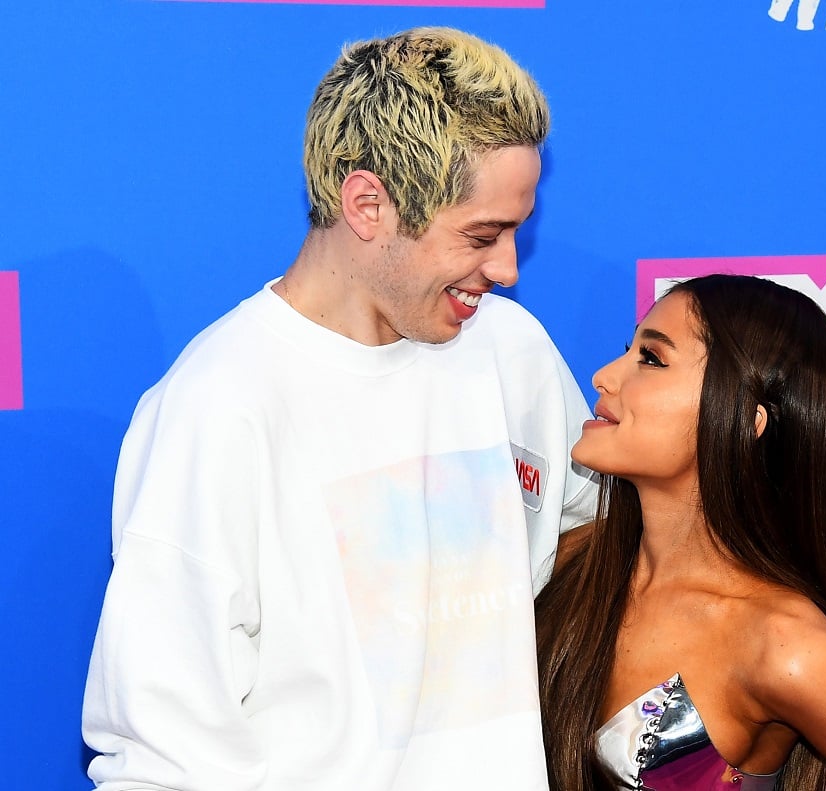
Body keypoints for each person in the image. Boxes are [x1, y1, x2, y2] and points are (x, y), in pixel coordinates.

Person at [82, 27, 597, 791]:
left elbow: (592, 531)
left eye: (515, 229)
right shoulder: (218, 404)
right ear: (367, 205)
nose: (508, 268)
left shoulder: (511, 351)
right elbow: (163, 752)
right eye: (482, 235)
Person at [535, 275, 826, 791]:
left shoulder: (783, 644)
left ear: (744, 418)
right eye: (627, 350)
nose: (603, 376)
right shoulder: (567, 562)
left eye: (651, 359)